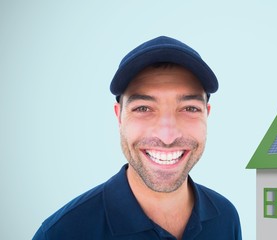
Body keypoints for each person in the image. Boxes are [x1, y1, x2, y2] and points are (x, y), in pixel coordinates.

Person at [32, 36, 242, 240]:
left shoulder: (226, 217)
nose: (167, 136)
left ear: (207, 114)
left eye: (189, 108)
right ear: (119, 116)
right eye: (143, 108)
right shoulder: (62, 233)